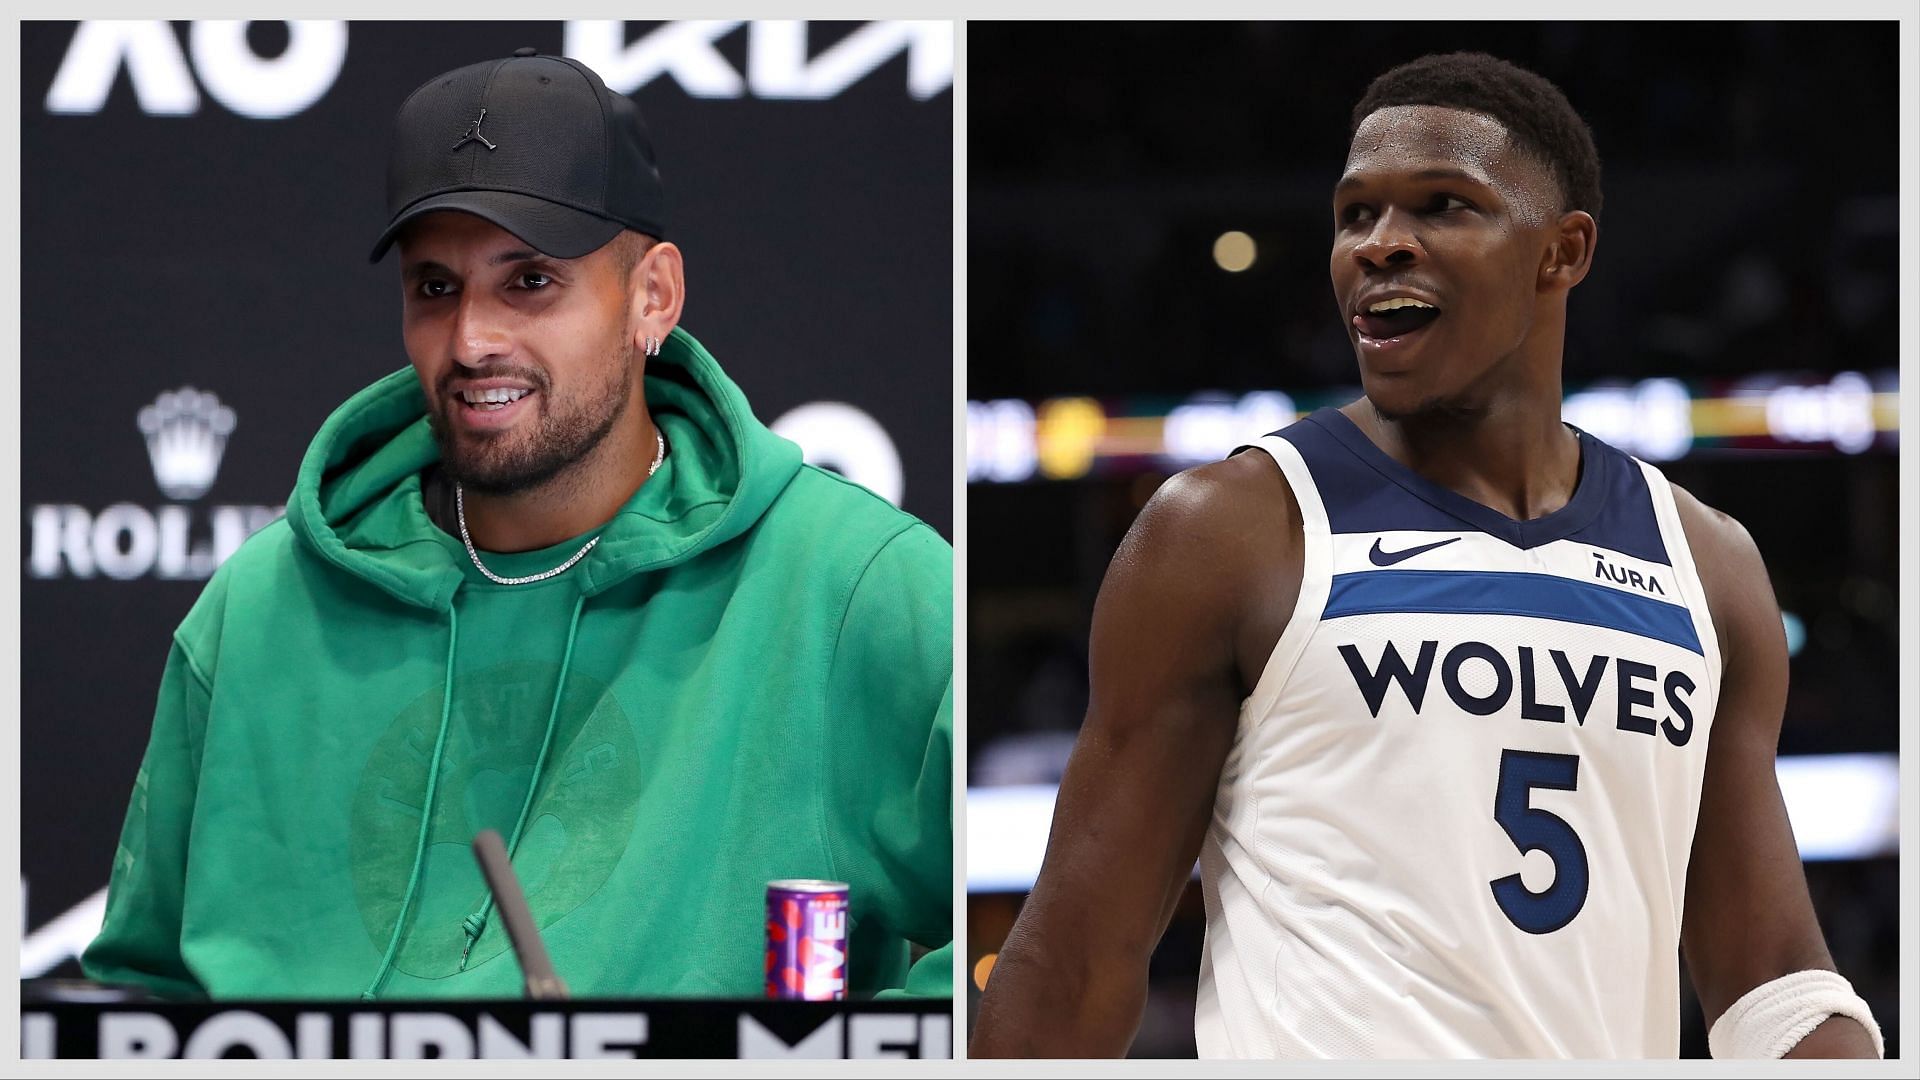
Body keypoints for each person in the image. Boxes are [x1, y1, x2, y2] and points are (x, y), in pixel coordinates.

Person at [971, 52, 1880, 1058]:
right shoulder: (1229, 531)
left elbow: (1774, 980)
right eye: (1356, 214)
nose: (1381, 244)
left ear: (1563, 252)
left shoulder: (1706, 565)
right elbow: (1073, 962)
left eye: (1443, 205)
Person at [82, 49, 952, 1001]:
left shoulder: (854, 586)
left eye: (529, 282)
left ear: (651, 295)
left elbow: (1043, 957)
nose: (472, 340)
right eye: (435, 287)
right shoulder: (256, 608)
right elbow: (142, 997)